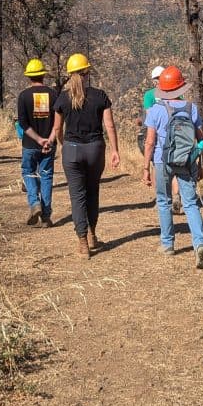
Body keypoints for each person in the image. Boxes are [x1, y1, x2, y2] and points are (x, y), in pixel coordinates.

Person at [51, 53, 121, 259]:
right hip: (95, 148)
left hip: (72, 149)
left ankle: (82, 242)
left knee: (77, 196)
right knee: (92, 192)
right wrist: (115, 150)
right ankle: (92, 233)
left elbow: (57, 128)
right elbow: (109, 125)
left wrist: (64, 143)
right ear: (87, 72)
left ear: (69, 74)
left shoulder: (62, 98)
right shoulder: (100, 96)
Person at [142, 66, 203, 269]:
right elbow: (202, 139)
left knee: (163, 201)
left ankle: (168, 244)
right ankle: (200, 244)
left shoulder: (155, 110)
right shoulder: (191, 109)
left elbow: (150, 142)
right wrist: (201, 163)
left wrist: (146, 167)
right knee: (190, 203)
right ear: (181, 88)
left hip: (163, 161)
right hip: (187, 161)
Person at [17, 58, 58, 227]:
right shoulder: (54, 94)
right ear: (43, 75)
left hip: (30, 144)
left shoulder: (23, 96)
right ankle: (46, 215)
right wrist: (49, 140)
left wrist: (38, 139)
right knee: (47, 176)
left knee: (28, 172)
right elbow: (59, 121)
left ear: (29, 77)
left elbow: (23, 123)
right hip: (50, 144)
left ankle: (35, 204)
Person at [141, 65, 182, 214]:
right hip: (177, 136)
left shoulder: (149, 95)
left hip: (158, 138)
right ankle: (176, 196)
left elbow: (149, 115)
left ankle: (161, 200)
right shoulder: (177, 92)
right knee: (176, 170)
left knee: (157, 166)